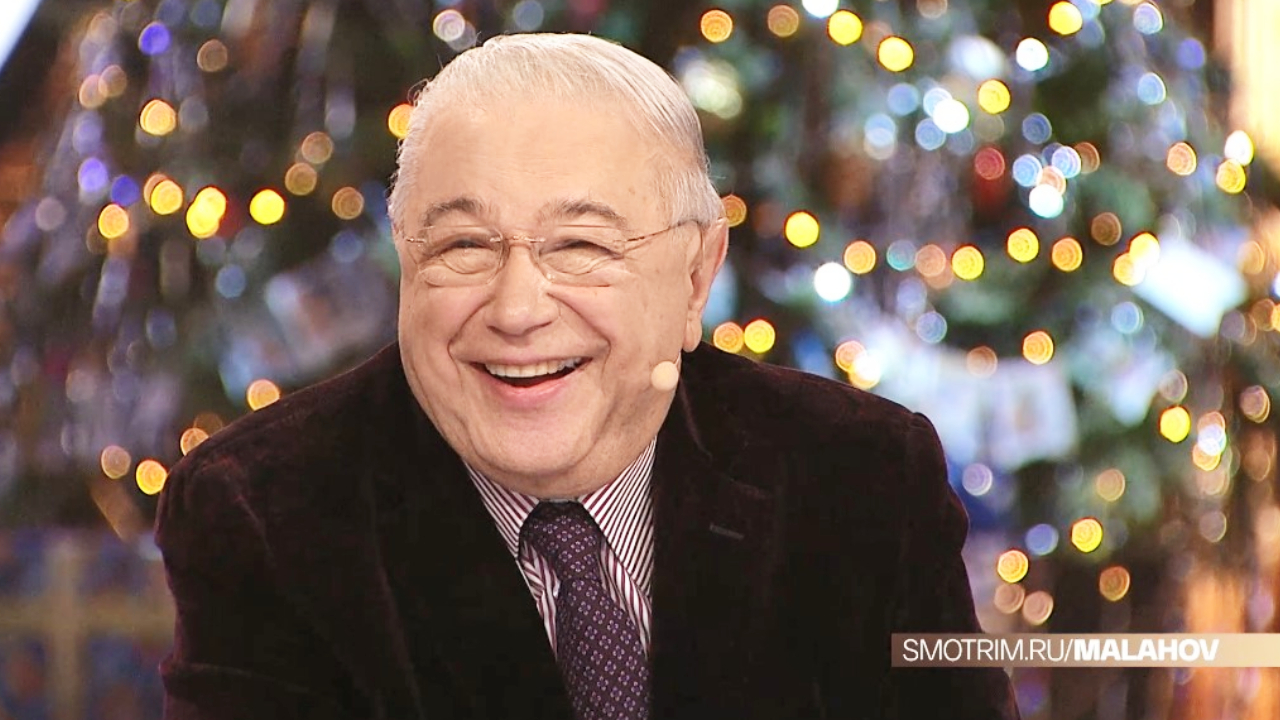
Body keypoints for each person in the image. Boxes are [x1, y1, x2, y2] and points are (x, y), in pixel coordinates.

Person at [155, 33, 1020, 720]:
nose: (517, 308)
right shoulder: (261, 510)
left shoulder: (865, 477)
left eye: (581, 245)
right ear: (406, 262)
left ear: (695, 278)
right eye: (463, 245)